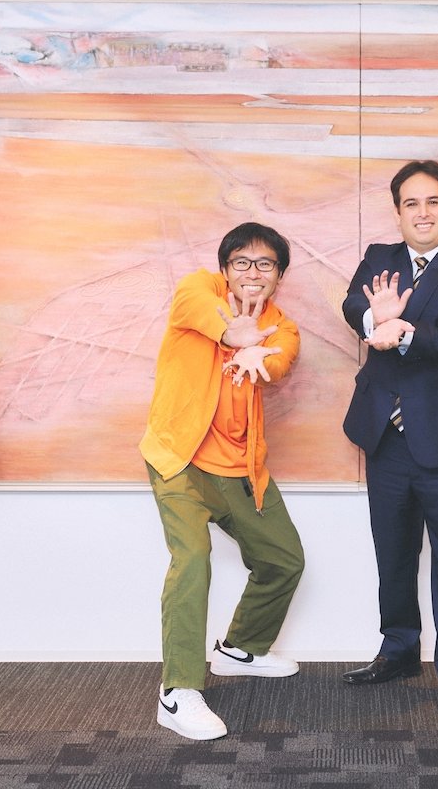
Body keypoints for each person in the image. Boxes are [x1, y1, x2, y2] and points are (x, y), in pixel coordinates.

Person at [340, 160, 438, 713]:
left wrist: (397, 329)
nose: (423, 212)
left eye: (433, 202)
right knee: (394, 551)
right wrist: (372, 321)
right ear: (398, 212)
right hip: (387, 436)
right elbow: (353, 305)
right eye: (412, 203)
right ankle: (399, 650)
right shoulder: (379, 258)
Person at [140, 222, 305, 740]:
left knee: (283, 559)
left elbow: (280, 360)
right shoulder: (197, 290)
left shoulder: (283, 326)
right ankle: (178, 691)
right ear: (225, 268)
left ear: (279, 275)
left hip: (239, 468)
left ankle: (241, 649)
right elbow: (201, 308)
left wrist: (261, 355)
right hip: (181, 460)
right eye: (242, 262)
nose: (253, 272)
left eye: (265, 264)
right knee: (192, 559)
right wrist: (234, 334)